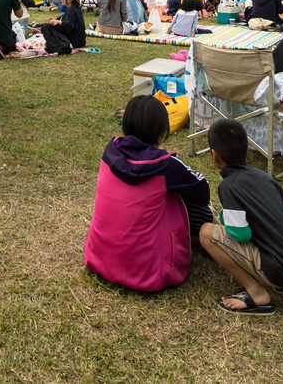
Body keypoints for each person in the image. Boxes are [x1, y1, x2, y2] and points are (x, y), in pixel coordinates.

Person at [83, 94, 212, 293]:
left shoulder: (110, 151)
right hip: (147, 273)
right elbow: (202, 191)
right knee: (194, 207)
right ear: (162, 133)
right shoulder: (166, 165)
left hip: (98, 258)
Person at [198, 117, 283, 315]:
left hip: (277, 269)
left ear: (214, 155)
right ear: (247, 150)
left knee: (207, 233)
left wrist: (222, 218)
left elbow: (241, 235)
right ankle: (279, 284)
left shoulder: (229, 186)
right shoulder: (264, 177)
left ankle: (256, 292)